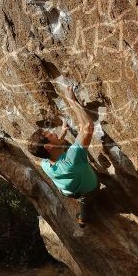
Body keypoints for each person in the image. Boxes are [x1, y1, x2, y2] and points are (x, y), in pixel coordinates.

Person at [28, 84, 99, 226]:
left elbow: (56, 149)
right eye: (50, 134)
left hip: (67, 191)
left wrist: (63, 133)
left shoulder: (45, 164)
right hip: (89, 190)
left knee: (76, 191)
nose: (53, 132)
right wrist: (72, 100)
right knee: (86, 203)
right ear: (48, 146)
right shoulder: (72, 158)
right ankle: (83, 220)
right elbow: (88, 127)